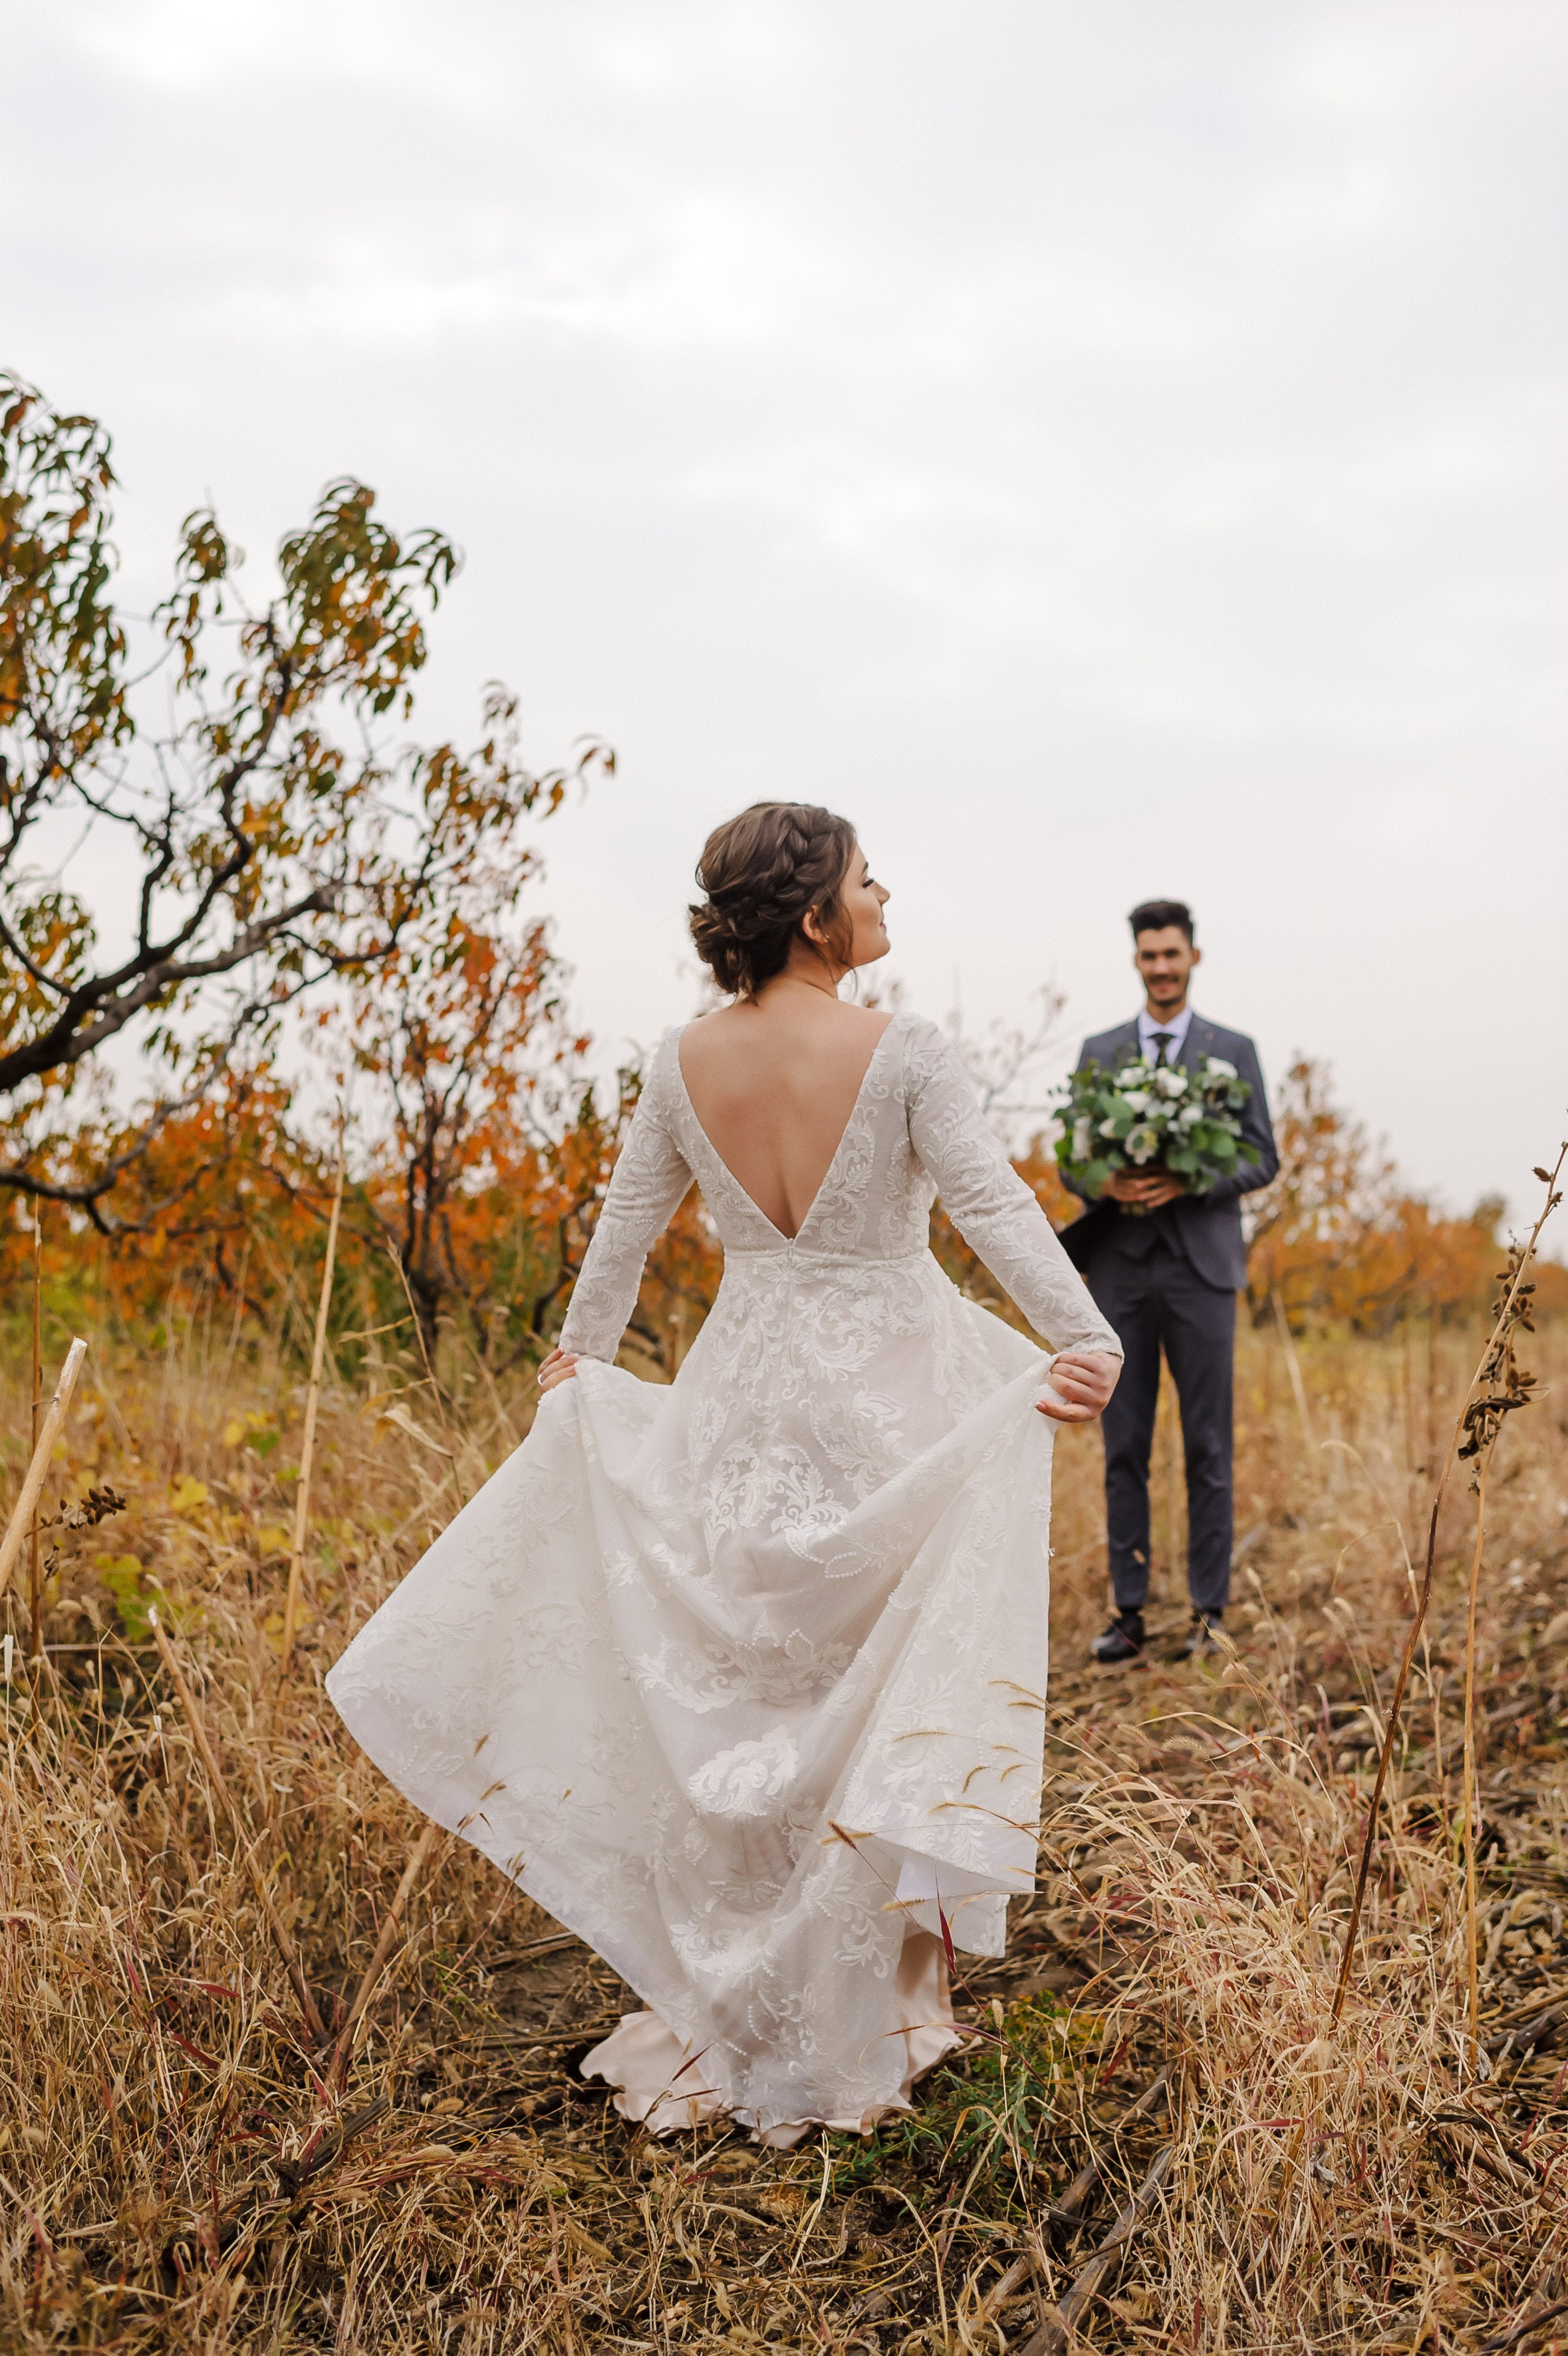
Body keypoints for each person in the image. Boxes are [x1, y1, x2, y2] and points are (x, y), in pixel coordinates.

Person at [328, 803, 1121, 2148]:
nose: (887, 895)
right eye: (870, 880)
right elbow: (990, 1208)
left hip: (746, 1397)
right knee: (867, 1692)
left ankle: (743, 1993)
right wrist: (1084, 1337)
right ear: (818, 917)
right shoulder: (906, 1048)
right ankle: (875, 2008)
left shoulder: (679, 1060)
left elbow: (627, 1228)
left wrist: (578, 1359)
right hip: (891, 1393)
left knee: (753, 1690)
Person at [1060, 898, 1276, 1664]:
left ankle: (1208, 1613)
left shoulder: (1234, 1050)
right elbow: (1070, 1161)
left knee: (1208, 1446)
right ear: (1136, 961)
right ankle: (1129, 1613)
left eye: (1172, 955)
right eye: (1149, 956)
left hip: (1201, 1271)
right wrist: (1106, 1187)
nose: (1161, 968)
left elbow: (1263, 1158)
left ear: (1193, 957)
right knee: (1125, 1445)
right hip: (1119, 1270)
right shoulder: (1099, 1050)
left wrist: (1190, 1183)